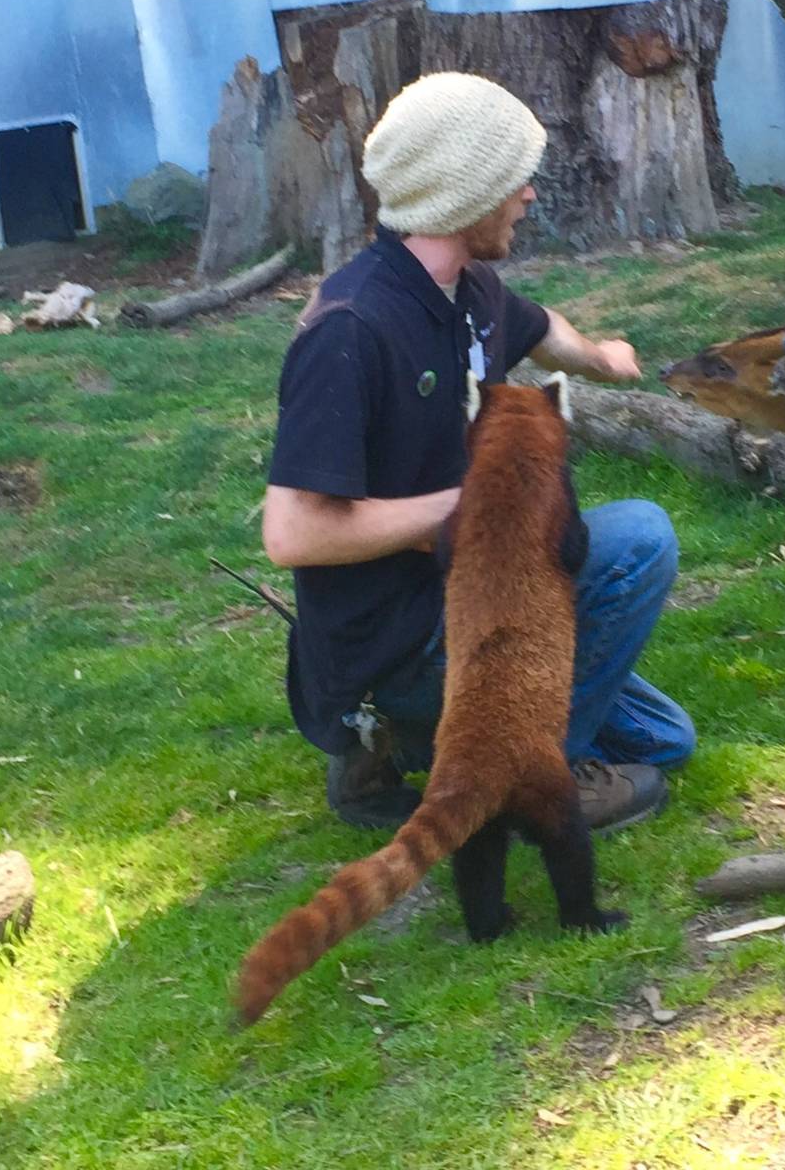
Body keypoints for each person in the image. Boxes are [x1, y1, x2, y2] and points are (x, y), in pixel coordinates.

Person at [262, 71, 694, 833]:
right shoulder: (350, 328)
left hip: (474, 600)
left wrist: (599, 357)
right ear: (464, 192)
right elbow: (292, 534)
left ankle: (401, 748)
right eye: (513, 179)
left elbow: (541, 326)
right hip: (399, 643)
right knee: (641, 539)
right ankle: (520, 782)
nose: (528, 194)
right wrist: (470, 505)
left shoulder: (471, 291)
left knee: (665, 740)